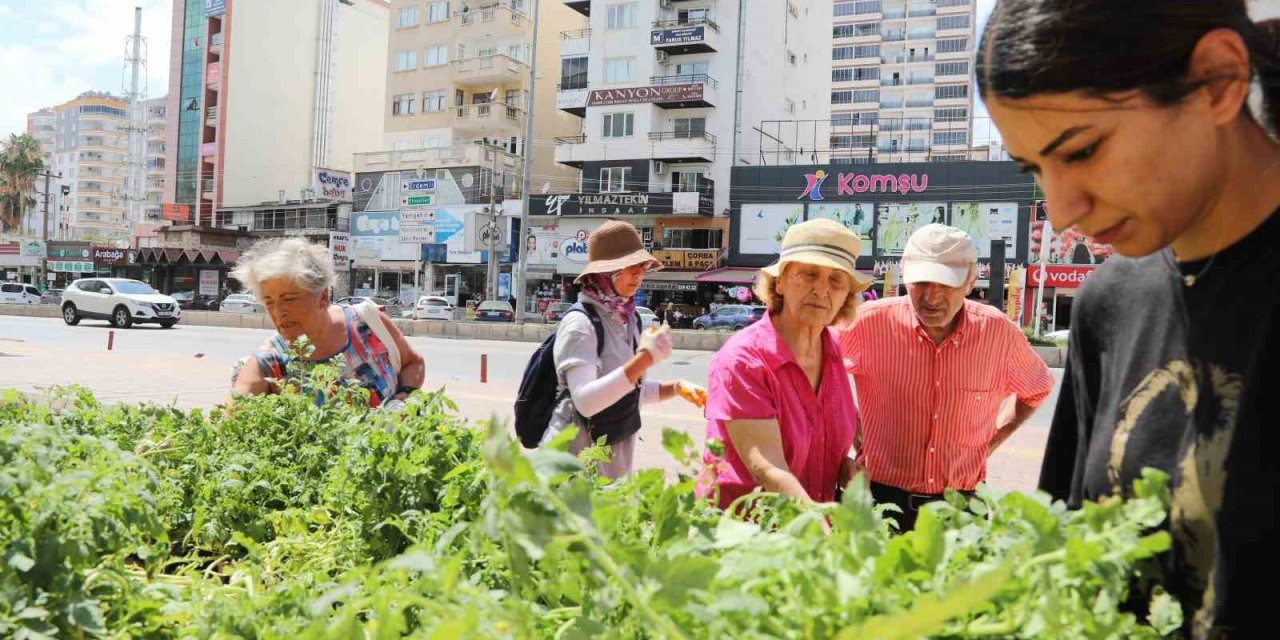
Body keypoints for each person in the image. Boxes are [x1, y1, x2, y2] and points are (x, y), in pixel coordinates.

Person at [978, 1, 1280, 635]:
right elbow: (1070, 554)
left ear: (1220, 80)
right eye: (1035, 169)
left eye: (1083, 151)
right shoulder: (1110, 301)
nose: (1060, 211)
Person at [839, 224, 1053, 531]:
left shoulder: (998, 333)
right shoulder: (868, 322)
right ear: (904, 275)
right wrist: (850, 428)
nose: (931, 296)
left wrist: (990, 443)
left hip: (962, 508)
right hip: (881, 501)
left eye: (946, 284)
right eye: (921, 282)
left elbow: (1037, 389)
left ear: (969, 282)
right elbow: (817, 373)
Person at [700, 219, 872, 509]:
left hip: (808, 535)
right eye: (808, 274)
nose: (821, 290)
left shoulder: (833, 351)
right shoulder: (744, 360)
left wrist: (845, 468)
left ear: (846, 295)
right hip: (745, 537)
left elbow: (827, 437)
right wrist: (824, 529)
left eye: (836, 280)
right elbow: (767, 467)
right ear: (779, 281)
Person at [539, 221, 706, 478]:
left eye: (642, 268)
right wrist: (645, 359)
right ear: (605, 274)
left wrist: (676, 388)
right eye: (630, 269)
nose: (638, 276)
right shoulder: (581, 324)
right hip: (571, 473)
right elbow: (586, 401)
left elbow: (626, 393)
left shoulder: (628, 320)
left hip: (613, 472)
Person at [230, 238, 425, 407]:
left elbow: (413, 363)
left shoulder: (367, 323)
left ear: (322, 296)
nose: (278, 312)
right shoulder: (268, 363)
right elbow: (228, 422)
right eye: (269, 302)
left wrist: (406, 394)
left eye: (289, 299)